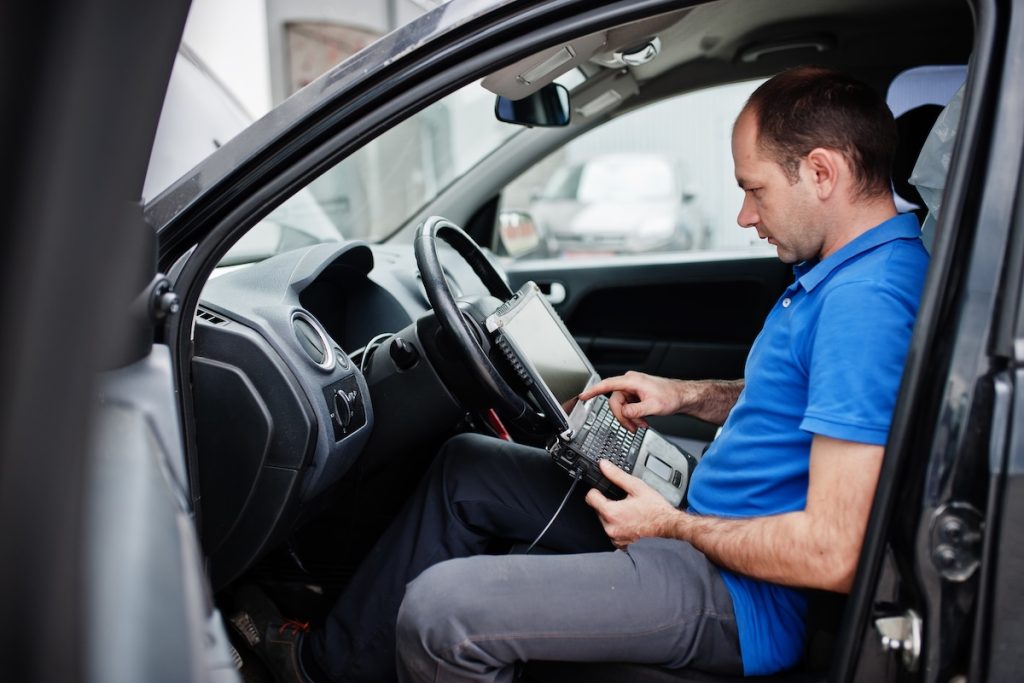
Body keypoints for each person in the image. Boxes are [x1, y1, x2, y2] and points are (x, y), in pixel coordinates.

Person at [243, 66, 930, 682]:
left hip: (738, 595)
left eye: (755, 189)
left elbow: (834, 553)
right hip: (702, 524)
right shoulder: (846, 271)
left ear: (821, 172)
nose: (745, 215)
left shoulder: (865, 302)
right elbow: (803, 398)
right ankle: (324, 667)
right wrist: (686, 395)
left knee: (441, 612)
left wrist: (672, 526)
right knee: (466, 468)